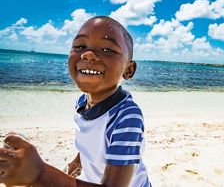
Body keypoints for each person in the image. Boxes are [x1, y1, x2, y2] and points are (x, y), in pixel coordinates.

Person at [0, 16, 151, 187]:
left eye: (108, 50)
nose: (87, 54)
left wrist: (40, 174)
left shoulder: (126, 117)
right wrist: (77, 163)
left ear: (128, 70)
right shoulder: (82, 102)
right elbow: (91, 143)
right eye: (80, 46)